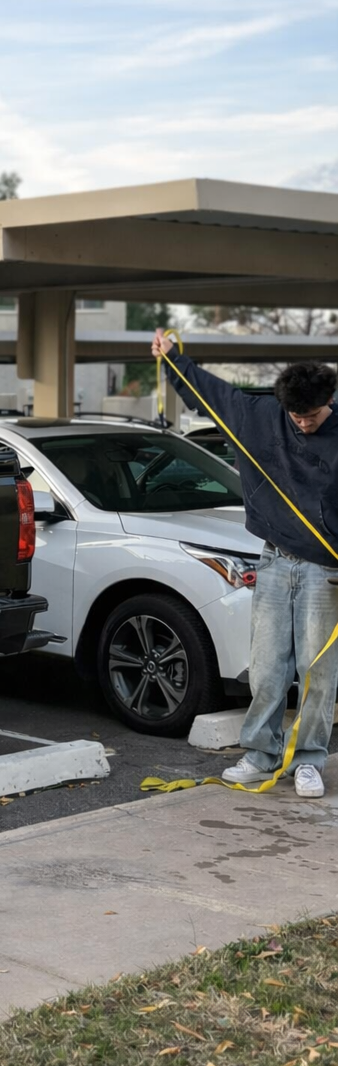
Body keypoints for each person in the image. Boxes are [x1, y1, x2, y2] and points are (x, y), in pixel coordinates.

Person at [150, 334, 338, 797]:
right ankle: (260, 754)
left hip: (325, 570)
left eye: (311, 417)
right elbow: (207, 391)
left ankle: (309, 759)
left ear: (329, 402)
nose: (303, 424)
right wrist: (172, 359)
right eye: (296, 417)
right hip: (274, 559)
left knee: (318, 669)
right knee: (267, 665)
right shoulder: (259, 418)